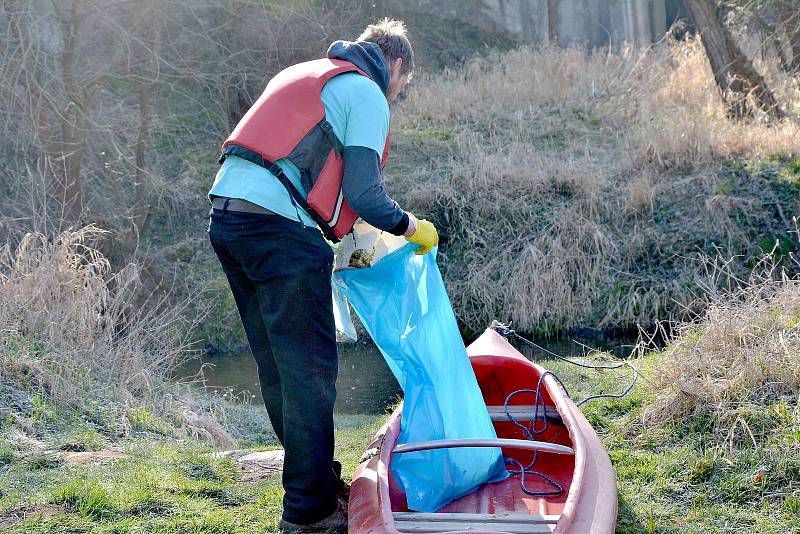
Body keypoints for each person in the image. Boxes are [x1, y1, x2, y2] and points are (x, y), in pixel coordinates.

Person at [206, 19, 438, 533]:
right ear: (395, 65)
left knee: (278, 365)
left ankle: (314, 483)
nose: (398, 94)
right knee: (310, 373)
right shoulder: (368, 93)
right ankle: (309, 513)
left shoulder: (309, 73)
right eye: (404, 84)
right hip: (279, 231)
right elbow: (365, 192)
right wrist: (411, 227)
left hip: (228, 221)